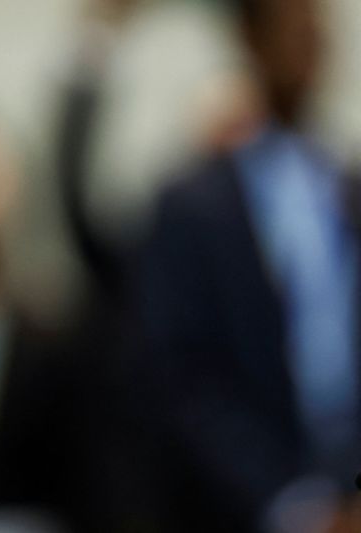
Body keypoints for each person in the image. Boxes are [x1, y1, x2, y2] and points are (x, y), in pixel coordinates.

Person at [130, 0, 361, 531]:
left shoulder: (345, 186)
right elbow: (179, 377)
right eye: (293, 25)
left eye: (319, 25)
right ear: (250, 40)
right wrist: (291, 502)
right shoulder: (192, 203)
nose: (311, 42)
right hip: (242, 505)